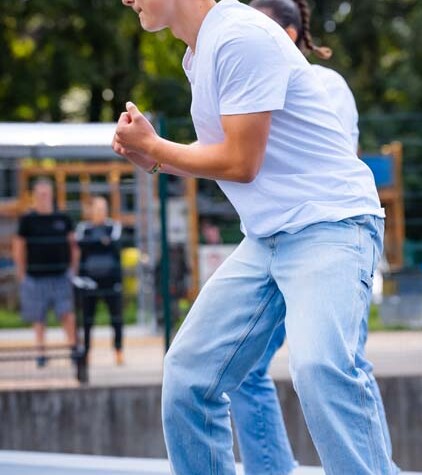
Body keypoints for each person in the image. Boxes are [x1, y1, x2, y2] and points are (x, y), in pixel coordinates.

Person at [116, 0, 394, 473]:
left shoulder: (239, 37)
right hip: (267, 237)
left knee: (321, 368)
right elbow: (223, 150)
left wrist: (158, 147)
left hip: (330, 225)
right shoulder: (198, 53)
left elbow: (242, 162)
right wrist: (155, 157)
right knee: (189, 378)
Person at [227, 1, 399, 474]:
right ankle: (271, 468)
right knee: (243, 370)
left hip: (326, 242)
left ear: (286, 34)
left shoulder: (324, 84)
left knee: (338, 366)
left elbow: (324, 162)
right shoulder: (249, 85)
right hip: (272, 244)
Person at [13, 178, 78, 368]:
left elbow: (73, 245)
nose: (43, 197)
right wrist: (22, 273)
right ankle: (41, 353)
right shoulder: (28, 220)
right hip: (35, 277)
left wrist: (73, 270)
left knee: (67, 313)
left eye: (46, 194)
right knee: (38, 317)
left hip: (60, 276)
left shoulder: (62, 218)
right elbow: (19, 246)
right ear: (34, 196)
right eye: (40, 194)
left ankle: (73, 349)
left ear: (51, 195)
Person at [76, 196, 124, 366]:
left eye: (103, 209)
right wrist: (102, 242)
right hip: (89, 281)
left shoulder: (114, 226)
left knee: (116, 318)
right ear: (91, 211)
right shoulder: (84, 227)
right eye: (97, 209)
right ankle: (86, 352)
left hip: (111, 280)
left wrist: (95, 243)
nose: (100, 212)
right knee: (87, 319)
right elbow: (81, 244)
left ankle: (118, 351)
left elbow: (115, 244)